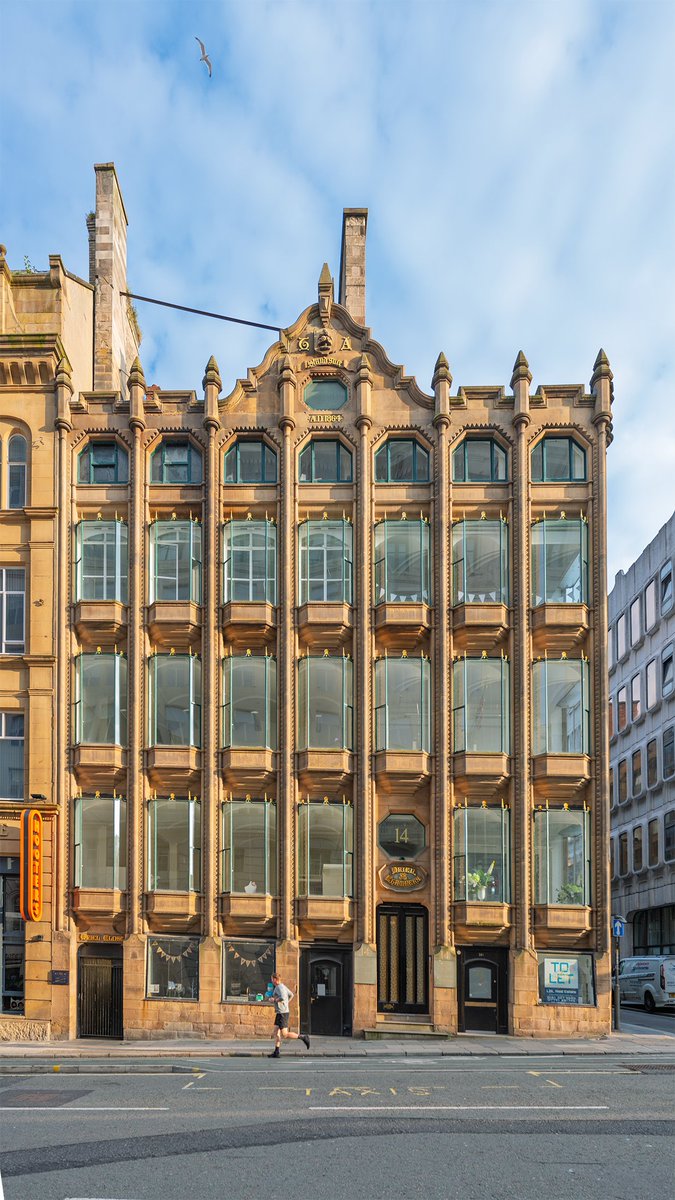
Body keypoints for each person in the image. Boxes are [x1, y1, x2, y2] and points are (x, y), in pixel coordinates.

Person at [268, 971, 310, 1058]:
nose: (271, 981)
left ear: (275, 979)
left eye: (272, 979)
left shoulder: (279, 987)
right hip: (280, 1012)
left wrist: (274, 1000)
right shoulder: (282, 986)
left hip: (282, 1013)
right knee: (276, 1031)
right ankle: (276, 1051)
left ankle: (303, 1037)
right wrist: (286, 1004)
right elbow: (291, 995)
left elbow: (283, 998)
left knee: (285, 1034)